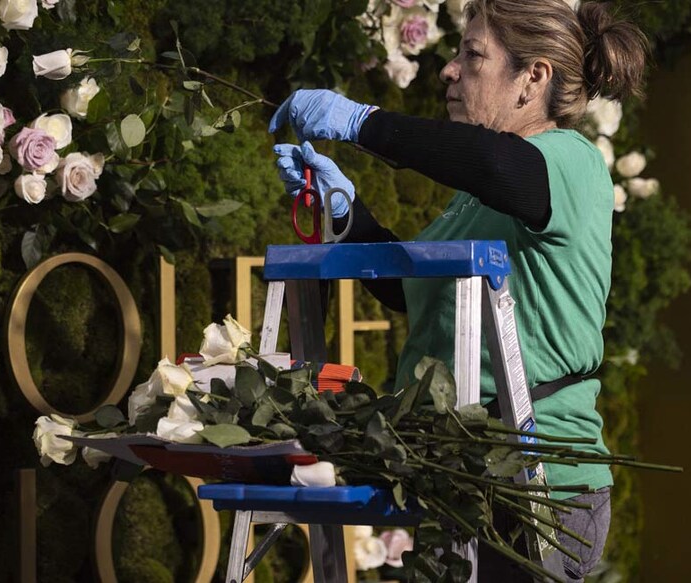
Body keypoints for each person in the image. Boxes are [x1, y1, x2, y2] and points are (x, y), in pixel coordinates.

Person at [269, 0, 648, 580]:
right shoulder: (477, 196)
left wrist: (361, 121)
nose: (449, 71)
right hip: (459, 474)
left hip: (541, 488)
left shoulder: (571, 163)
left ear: (533, 78)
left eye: (472, 56)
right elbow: (415, 294)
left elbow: (496, 167)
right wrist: (343, 212)